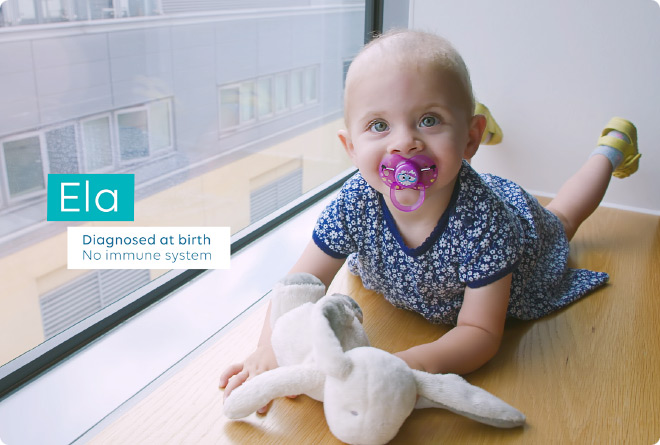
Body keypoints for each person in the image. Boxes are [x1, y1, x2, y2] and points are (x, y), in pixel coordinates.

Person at [219, 29, 641, 411]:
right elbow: (301, 285)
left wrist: (400, 364)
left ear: (468, 138)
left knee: (563, 219)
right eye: (379, 125)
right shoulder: (355, 200)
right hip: (462, 169)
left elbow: (479, 333)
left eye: (428, 120)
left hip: (525, 236)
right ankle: (461, 119)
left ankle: (611, 148)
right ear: (350, 147)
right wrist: (268, 347)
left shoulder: (486, 225)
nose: (404, 143)